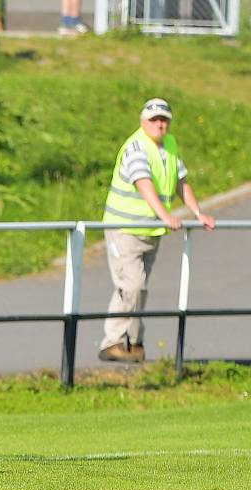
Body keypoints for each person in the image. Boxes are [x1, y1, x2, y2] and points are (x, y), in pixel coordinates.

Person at [98, 98, 215, 363]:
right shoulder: (136, 146)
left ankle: (135, 343)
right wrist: (166, 216)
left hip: (150, 231)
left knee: (140, 288)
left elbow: (181, 182)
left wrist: (199, 213)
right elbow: (143, 183)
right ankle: (112, 342)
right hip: (124, 228)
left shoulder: (170, 146)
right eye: (154, 120)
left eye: (164, 120)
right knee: (132, 285)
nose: (159, 124)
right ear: (143, 122)